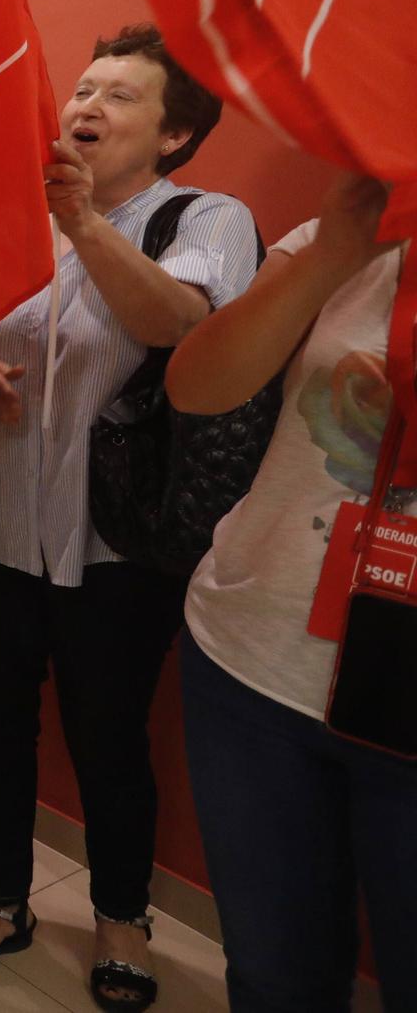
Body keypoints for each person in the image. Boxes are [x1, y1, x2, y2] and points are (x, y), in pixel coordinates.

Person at [0, 25, 257, 1009]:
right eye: (82, 86)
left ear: (172, 134)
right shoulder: (6, 215)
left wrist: (81, 225)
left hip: (118, 546)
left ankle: (120, 916)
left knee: (108, 737)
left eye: (118, 95)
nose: (85, 104)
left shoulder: (209, 217)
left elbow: (183, 326)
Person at [166, 173, 417, 1012]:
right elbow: (197, 387)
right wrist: (336, 254)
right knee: (275, 981)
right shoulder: (343, 234)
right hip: (254, 667)